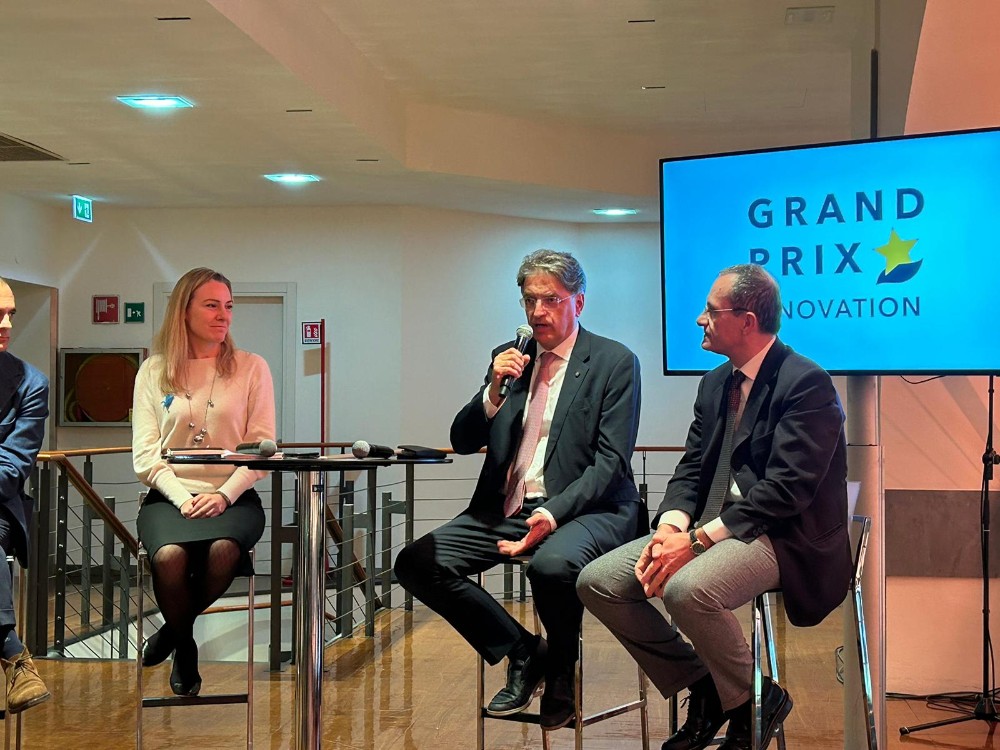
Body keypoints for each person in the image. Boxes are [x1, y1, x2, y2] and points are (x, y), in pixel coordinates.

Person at [577, 263, 851, 750]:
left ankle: (749, 705)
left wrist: (698, 541)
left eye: (710, 311)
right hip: (711, 527)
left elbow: (787, 491)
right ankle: (712, 687)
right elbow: (692, 467)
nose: (700, 320)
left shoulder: (806, 382)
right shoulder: (715, 382)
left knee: (687, 590)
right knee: (598, 581)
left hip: (781, 536)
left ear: (747, 321)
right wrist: (670, 529)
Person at [395, 249, 643, 730]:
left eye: (551, 300)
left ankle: (562, 674)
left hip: (587, 509)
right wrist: (492, 391)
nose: (537, 312)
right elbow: (462, 440)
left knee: (551, 566)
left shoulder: (614, 361)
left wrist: (553, 514)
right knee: (416, 562)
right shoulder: (511, 358)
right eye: (530, 300)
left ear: (578, 302)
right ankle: (526, 651)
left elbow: (611, 463)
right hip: (507, 508)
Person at [132, 267, 275, 696]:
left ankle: (173, 631)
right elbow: (145, 455)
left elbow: (262, 450)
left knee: (223, 550)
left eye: (228, 306)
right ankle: (186, 643)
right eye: (211, 305)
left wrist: (223, 495)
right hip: (169, 496)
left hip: (234, 497)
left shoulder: (252, 367)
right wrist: (182, 498)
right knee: (169, 556)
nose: (223, 315)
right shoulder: (153, 371)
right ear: (184, 311)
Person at [0, 277, 51, 713]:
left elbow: (12, 468)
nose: (6, 325)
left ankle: (15, 658)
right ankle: (14, 654)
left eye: (10, 314)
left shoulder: (30, 383)